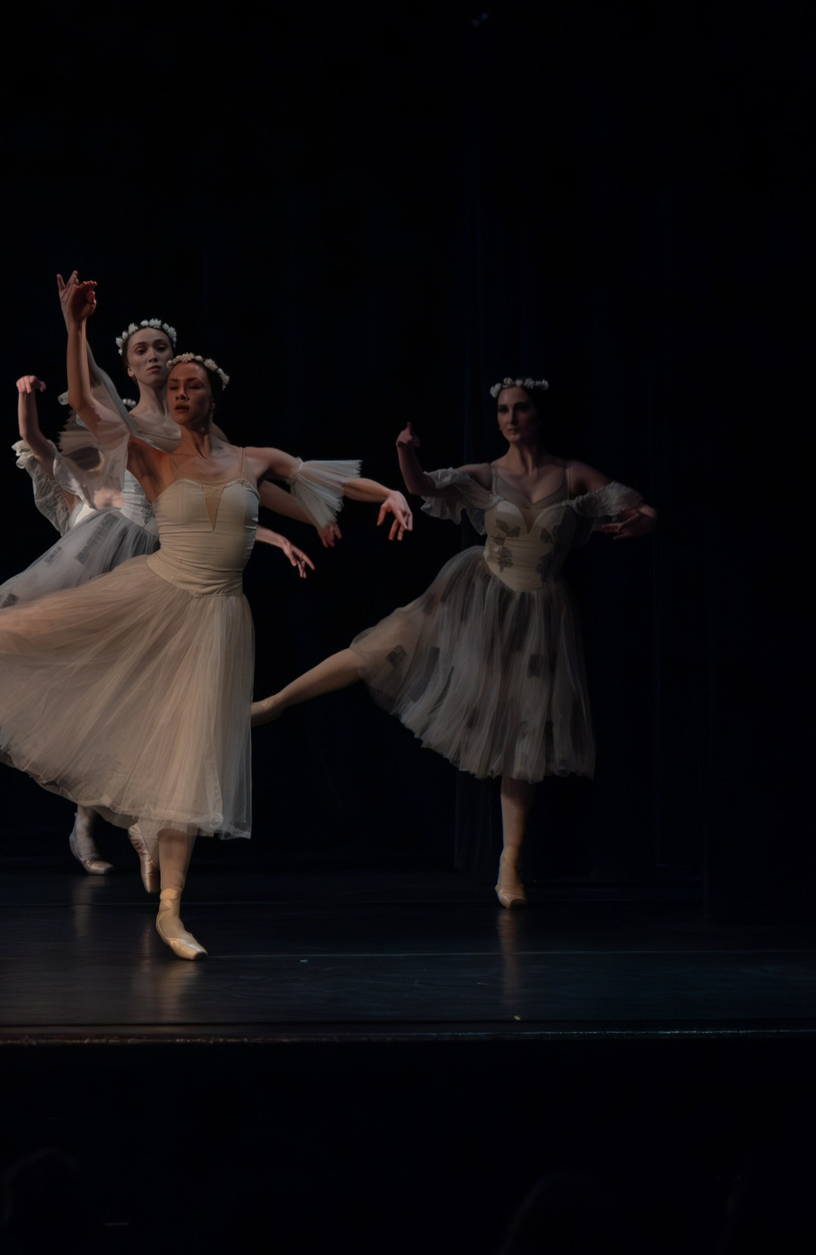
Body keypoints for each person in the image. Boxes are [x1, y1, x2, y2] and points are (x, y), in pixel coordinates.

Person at [0, 274, 413, 959]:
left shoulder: (251, 460)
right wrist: (75, 328)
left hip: (215, 619)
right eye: (173, 385)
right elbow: (88, 406)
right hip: (150, 588)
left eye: (191, 384)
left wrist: (388, 493)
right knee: (16, 629)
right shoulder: (151, 456)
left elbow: (325, 480)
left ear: (212, 395)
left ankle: (171, 911)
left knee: (188, 762)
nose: (179, 392)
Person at [0, 322, 320, 877]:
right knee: (14, 639)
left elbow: (231, 498)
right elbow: (81, 394)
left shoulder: (204, 430)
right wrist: (74, 326)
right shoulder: (123, 418)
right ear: (129, 366)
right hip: (105, 543)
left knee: (110, 694)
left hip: (160, 563)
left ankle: (104, 825)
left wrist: (281, 532)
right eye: (142, 351)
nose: (155, 359)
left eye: (162, 349)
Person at [251, 378, 655, 906]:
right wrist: (404, 451)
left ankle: (509, 865)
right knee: (384, 646)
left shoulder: (572, 474)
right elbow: (421, 486)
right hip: (477, 596)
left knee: (524, 732)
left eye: (521, 408)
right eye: (503, 410)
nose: (511, 418)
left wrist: (640, 524)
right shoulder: (486, 473)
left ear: (538, 414)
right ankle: (277, 702)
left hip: (539, 614)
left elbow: (639, 509)